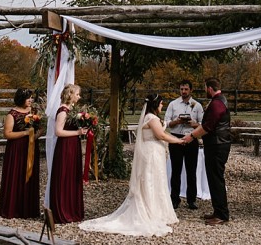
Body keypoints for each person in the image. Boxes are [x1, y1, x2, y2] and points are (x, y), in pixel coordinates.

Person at [81, 93, 185, 237]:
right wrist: (179, 141)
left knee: (156, 180)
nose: (162, 106)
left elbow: (161, 130)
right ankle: (150, 211)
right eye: (161, 103)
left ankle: (157, 210)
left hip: (155, 152)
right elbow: (161, 135)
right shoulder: (151, 118)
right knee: (150, 180)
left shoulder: (151, 118)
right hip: (152, 153)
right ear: (155, 104)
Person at [181, 77, 231, 225]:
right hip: (216, 144)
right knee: (213, 178)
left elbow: (207, 127)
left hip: (217, 145)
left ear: (209, 88)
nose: (205, 91)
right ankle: (217, 210)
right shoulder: (220, 100)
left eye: (205, 88)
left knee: (216, 179)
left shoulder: (217, 104)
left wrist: (191, 136)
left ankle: (222, 214)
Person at [49, 83, 89, 224]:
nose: (79, 97)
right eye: (77, 94)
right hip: (65, 146)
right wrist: (77, 132)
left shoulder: (71, 110)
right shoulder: (63, 111)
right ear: (70, 95)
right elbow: (58, 132)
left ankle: (72, 208)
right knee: (65, 175)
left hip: (73, 145)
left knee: (72, 175)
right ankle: (63, 210)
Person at [0, 87, 40, 219]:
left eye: (31, 98)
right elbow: (7, 134)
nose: (30, 100)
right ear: (21, 99)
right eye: (28, 98)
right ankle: (13, 208)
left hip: (32, 146)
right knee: (16, 174)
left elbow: (40, 129)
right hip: (17, 148)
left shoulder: (34, 112)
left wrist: (36, 135)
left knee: (30, 175)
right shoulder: (12, 114)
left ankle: (28, 209)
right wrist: (25, 133)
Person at [165, 79, 203, 210]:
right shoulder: (173, 104)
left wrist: (194, 124)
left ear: (191, 90)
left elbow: (203, 125)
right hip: (176, 138)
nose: (183, 91)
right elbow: (167, 123)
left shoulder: (197, 105)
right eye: (181, 89)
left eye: (186, 89)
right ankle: (174, 199)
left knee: (191, 171)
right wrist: (176, 121)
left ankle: (191, 200)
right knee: (176, 170)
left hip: (191, 138)